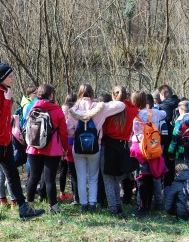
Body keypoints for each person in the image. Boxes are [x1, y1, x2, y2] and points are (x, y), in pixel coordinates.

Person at [0, 63, 44, 219]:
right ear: (2, 78)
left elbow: (5, 119)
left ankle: (23, 208)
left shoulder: (4, 92)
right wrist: (7, 102)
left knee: (13, 174)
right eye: (10, 76)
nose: (13, 78)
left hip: (5, 142)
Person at [69, 83, 125, 213]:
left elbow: (68, 130)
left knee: (81, 175)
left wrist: (77, 133)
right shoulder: (100, 108)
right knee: (93, 176)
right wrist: (110, 99)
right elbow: (121, 105)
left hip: (78, 148)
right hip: (95, 147)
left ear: (79, 93)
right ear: (92, 93)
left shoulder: (74, 109)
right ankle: (93, 203)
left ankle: (83, 204)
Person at [25, 84, 69, 214]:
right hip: (52, 149)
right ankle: (53, 208)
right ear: (51, 95)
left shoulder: (31, 107)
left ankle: (29, 204)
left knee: (33, 177)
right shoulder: (57, 110)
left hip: (33, 147)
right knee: (49, 179)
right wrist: (65, 148)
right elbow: (63, 132)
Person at [101, 86, 139, 216]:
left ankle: (113, 207)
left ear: (113, 95)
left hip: (109, 144)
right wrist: (125, 100)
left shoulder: (110, 110)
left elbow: (104, 128)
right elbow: (135, 107)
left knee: (108, 178)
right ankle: (118, 204)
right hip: (122, 146)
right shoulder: (130, 110)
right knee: (117, 178)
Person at [130, 91, 167, 217]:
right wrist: (153, 108)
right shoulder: (154, 113)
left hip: (139, 150)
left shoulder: (134, 115)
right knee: (153, 177)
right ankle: (156, 204)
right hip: (153, 147)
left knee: (141, 178)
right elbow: (164, 113)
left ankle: (142, 206)